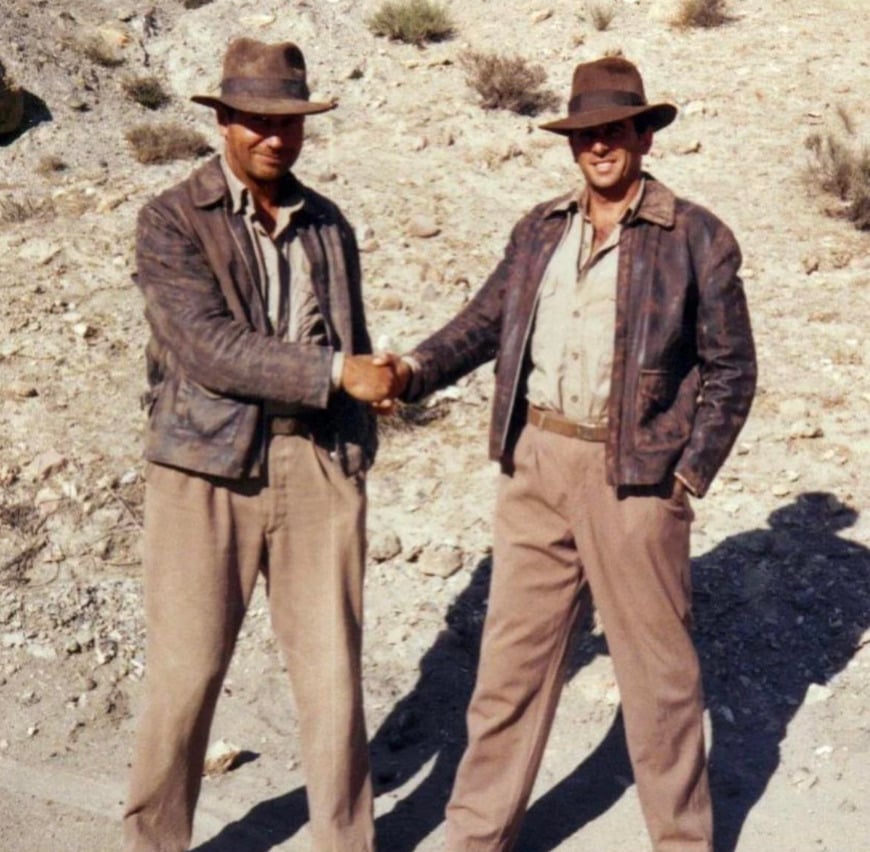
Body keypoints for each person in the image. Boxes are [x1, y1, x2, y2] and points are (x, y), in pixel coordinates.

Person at [384, 56, 757, 850]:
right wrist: (411, 370)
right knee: (509, 674)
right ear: (572, 143)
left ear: (644, 136)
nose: (599, 147)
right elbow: (484, 324)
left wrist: (686, 475)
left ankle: (682, 842)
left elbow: (733, 368)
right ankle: (477, 836)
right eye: (586, 134)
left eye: (615, 130)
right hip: (537, 462)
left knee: (659, 684)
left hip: (636, 481)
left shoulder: (695, 236)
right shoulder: (539, 230)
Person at [123, 37, 398, 852]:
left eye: (290, 121)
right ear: (226, 122)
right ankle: (154, 842)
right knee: (185, 675)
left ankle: (347, 843)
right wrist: (336, 375)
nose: (275, 137)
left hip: (316, 464)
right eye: (257, 120)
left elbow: (351, 333)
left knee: (331, 680)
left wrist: (354, 443)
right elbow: (207, 347)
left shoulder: (327, 225)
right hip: (203, 468)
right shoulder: (171, 219)